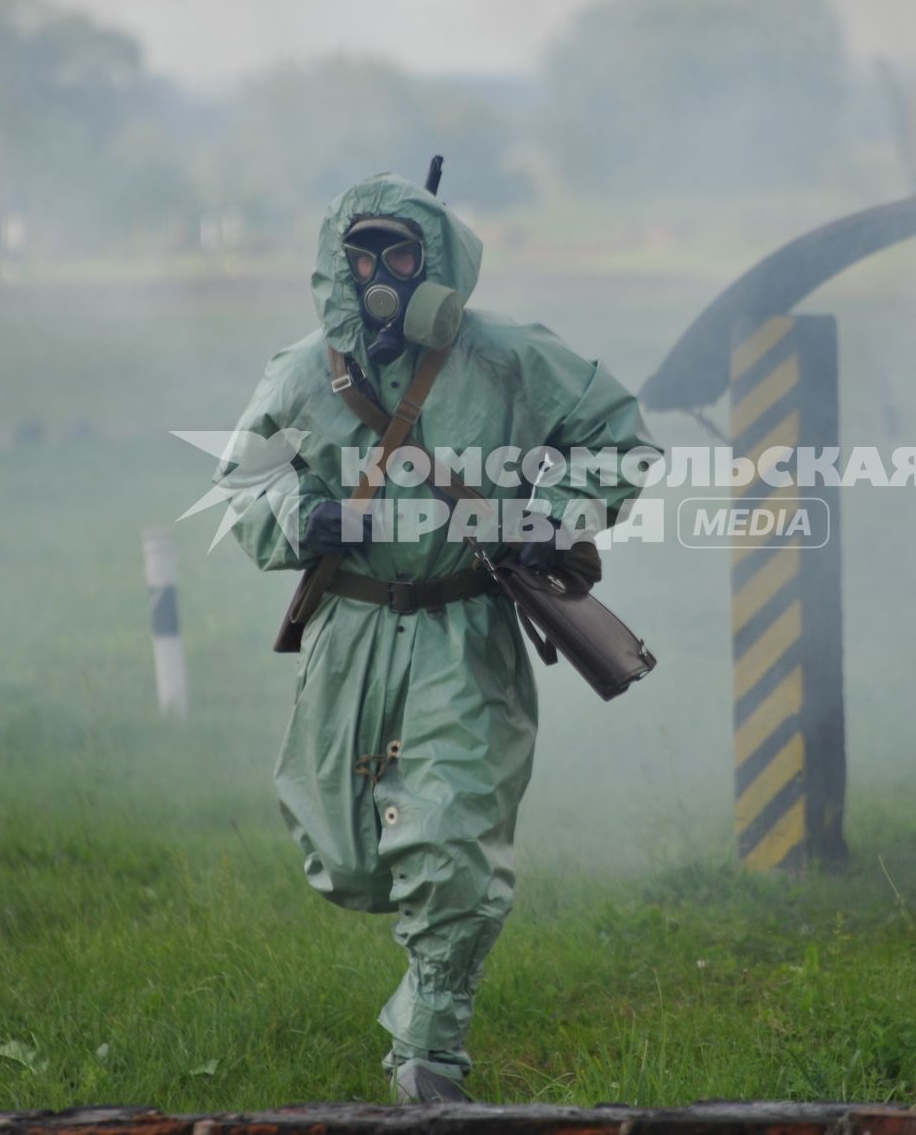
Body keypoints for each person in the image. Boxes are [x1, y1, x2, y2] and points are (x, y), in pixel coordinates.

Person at [215, 172, 656, 1102]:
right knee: (345, 855)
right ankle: (419, 972)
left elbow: (622, 437)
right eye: (363, 254)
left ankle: (429, 1052)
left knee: (451, 841)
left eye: (402, 253)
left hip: (465, 629)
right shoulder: (305, 369)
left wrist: (555, 512)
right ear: (340, 264)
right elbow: (240, 486)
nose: (381, 273)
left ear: (439, 261)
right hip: (352, 632)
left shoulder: (508, 357)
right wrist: (303, 513)